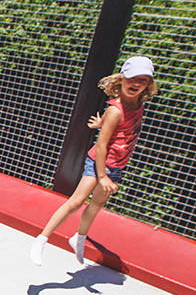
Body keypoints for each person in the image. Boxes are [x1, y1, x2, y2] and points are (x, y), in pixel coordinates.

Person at [30, 56, 158, 266]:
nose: (137, 83)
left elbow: (121, 130)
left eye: (143, 80)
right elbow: (101, 146)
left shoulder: (137, 104)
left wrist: (104, 123)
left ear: (149, 85)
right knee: (76, 202)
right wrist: (102, 176)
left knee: (97, 204)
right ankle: (42, 239)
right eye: (133, 78)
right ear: (122, 79)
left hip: (117, 166)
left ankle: (78, 238)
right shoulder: (115, 110)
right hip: (99, 163)